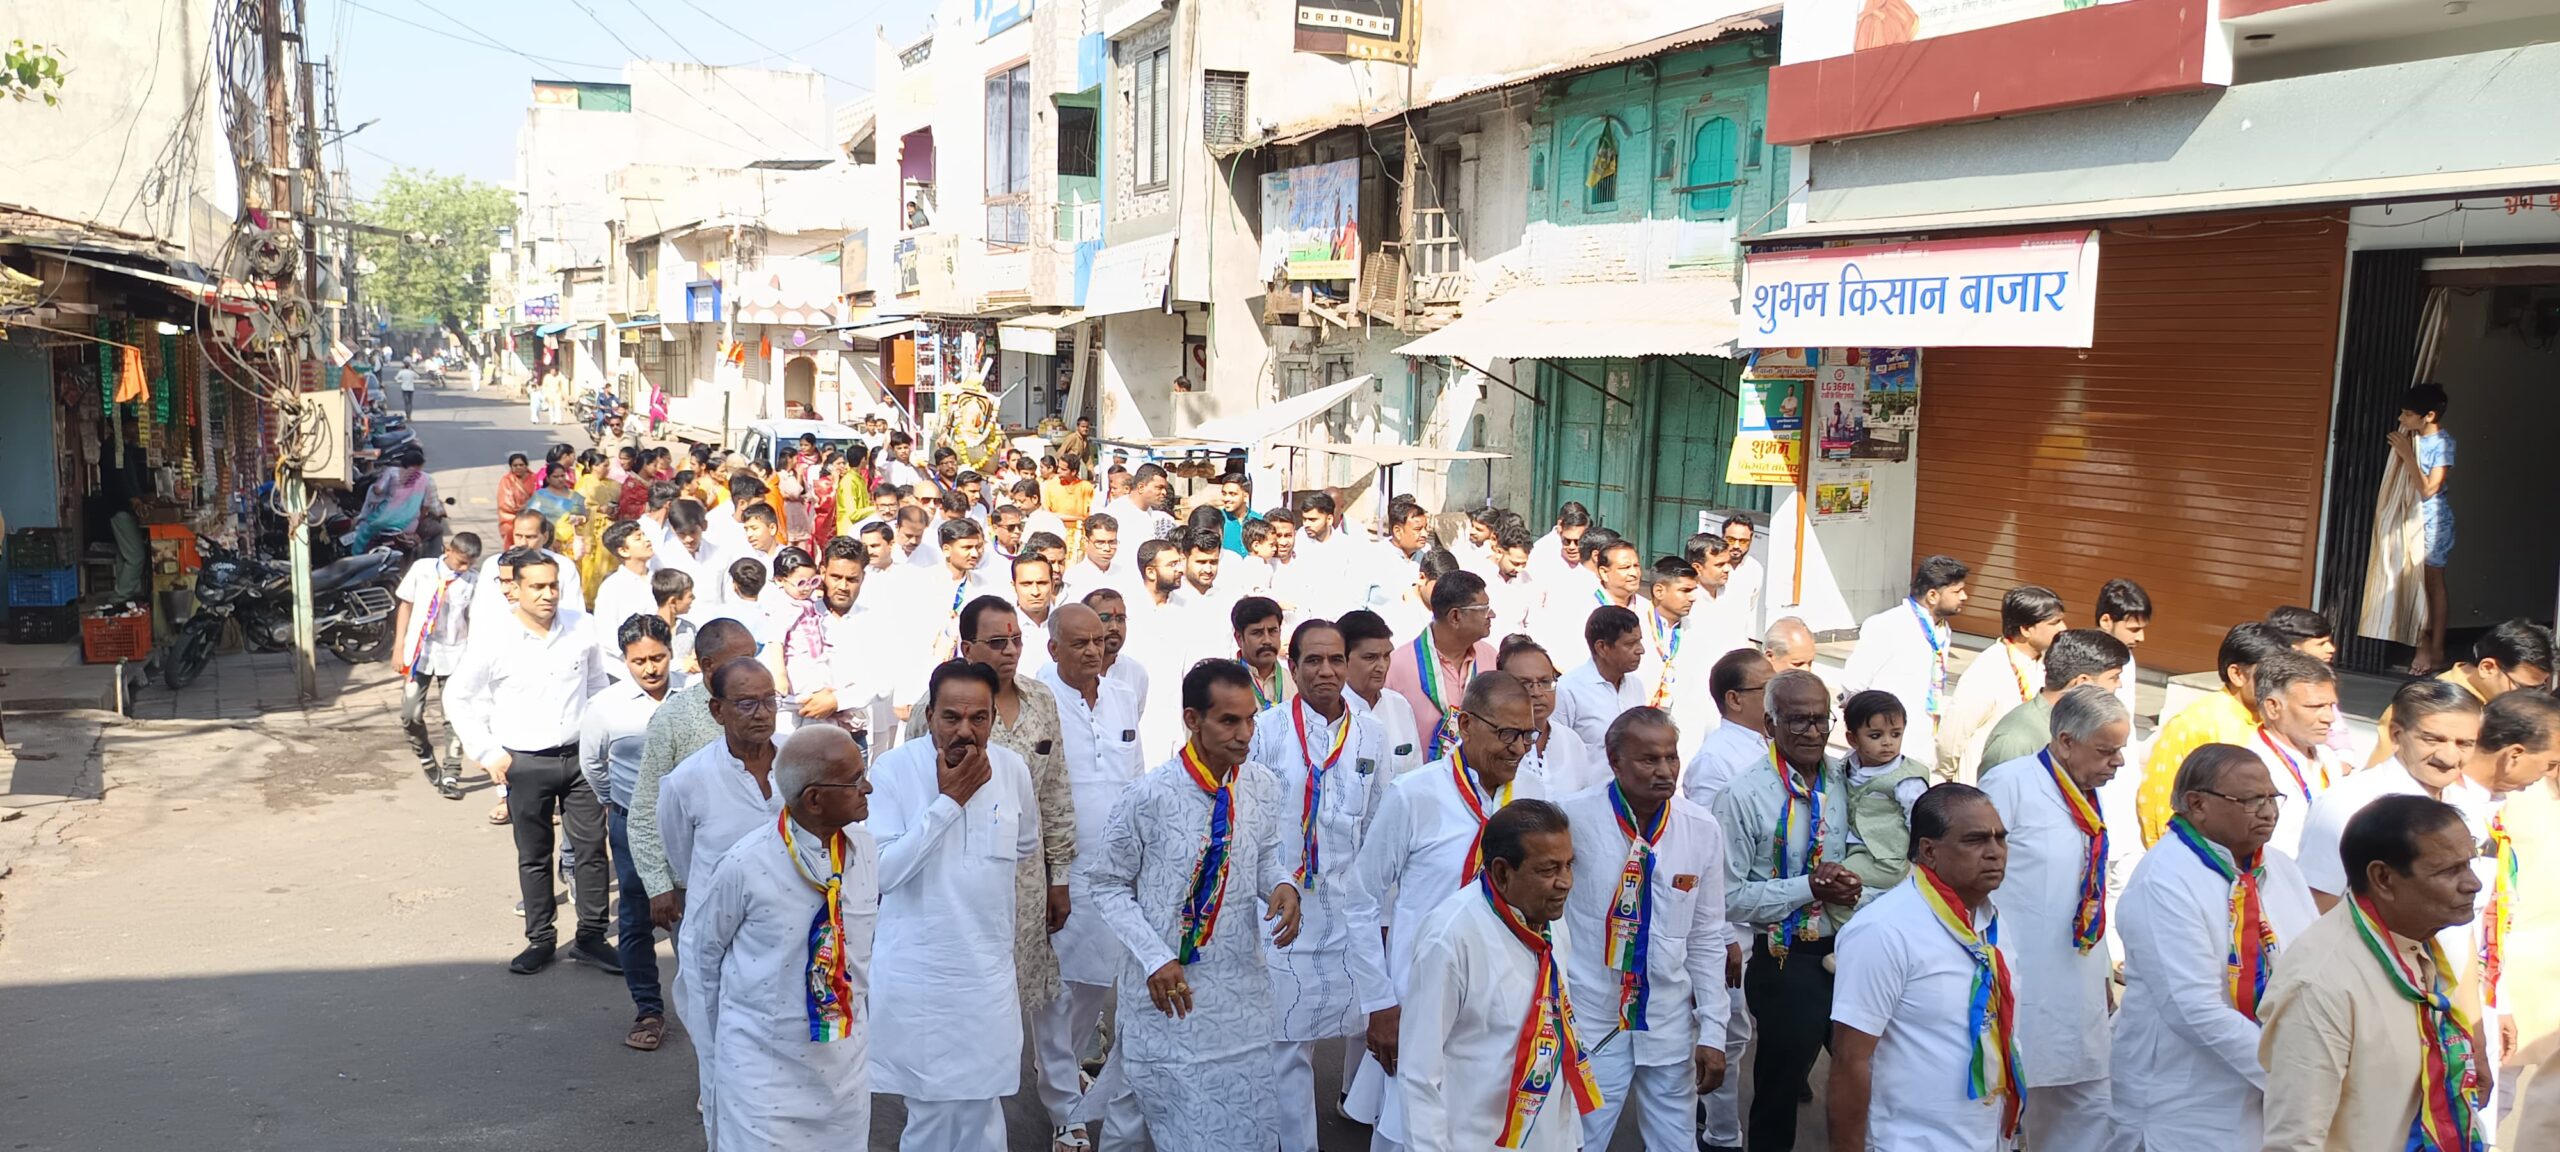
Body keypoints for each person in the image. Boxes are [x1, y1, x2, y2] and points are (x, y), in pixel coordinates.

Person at [1077, 659, 1305, 1147]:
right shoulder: (1149, 795)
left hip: (1236, 987)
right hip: (1164, 986)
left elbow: (1265, 855)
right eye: (1229, 721)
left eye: (1251, 719)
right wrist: (1155, 958)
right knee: (1141, 1104)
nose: (1245, 734)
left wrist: (1282, 886)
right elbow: (1107, 884)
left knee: (1235, 1105)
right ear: (1192, 720)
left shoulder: (1262, 785)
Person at [1345, 671, 1551, 1146]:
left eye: (1528, 734)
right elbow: (1361, 900)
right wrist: (1379, 1003)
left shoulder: (1533, 794)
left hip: (1501, 1001)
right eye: (1506, 733)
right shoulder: (1414, 794)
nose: (1518, 748)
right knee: (1410, 1128)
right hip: (1420, 998)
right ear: (1466, 725)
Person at [861, 661, 1039, 1148]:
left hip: (986, 978)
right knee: (933, 1116)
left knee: (983, 1110)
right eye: (951, 717)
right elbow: (884, 872)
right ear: (929, 715)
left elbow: (1025, 844)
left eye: (978, 718)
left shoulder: (1012, 769)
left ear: (993, 718)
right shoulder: (894, 770)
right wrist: (949, 802)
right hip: (921, 980)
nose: (965, 730)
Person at [2111, 743, 2322, 1152]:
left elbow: (2314, 964)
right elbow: (2194, 1009)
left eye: (2272, 797)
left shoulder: (2279, 866)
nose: (2269, 812)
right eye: (2251, 800)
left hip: (2271, 1094)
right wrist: (2294, 1071)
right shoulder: (2164, 879)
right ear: (2197, 804)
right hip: (2188, 1103)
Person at [677, 724, 878, 1152]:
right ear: (814, 799)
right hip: (762, 1080)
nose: (868, 788)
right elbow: (701, 960)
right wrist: (715, 1058)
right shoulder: (746, 863)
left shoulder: (865, 850)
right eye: (855, 780)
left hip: (845, 1073)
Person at [2259, 794, 2489, 1152]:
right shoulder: (2320, 981)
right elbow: (2294, 1141)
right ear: (2383, 878)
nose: (2473, 883)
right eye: (2448, 871)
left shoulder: (2415, 941)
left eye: (2469, 864)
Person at [896, 597, 1077, 1029]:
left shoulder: (1040, 699)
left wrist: (1059, 878)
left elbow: (1054, 790)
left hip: (1024, 879)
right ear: (967, 648)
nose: (1010, 651)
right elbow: (915, 795)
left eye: (1016, 641)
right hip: (955, 878)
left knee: (1016, 992)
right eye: (997, 643)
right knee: (960, 994)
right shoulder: (934, 711)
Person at [1246, 619, 1390, 1152]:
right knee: (1285, 1042)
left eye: (1335, 660)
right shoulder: (1265, 731)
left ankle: (1370, 1116)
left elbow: (1378, 828)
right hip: (1278, 908)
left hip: (1347, 912)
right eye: (1313, 660)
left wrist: (1380, 915)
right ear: (1293, 666)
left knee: (1370, 1025)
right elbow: (1246, 820)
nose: (1325, 671)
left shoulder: (1372, 734)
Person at [1559, 708, 1731, 1151]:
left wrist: (1713, 1031)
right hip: (1593, 1019)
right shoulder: (1572, 820)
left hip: (1667, 1020)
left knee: (1676, 1144)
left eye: (1671, 757)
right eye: (1649, 759)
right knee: (1580, 1140)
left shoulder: (1700, 829)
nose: (1665, 771)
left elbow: (1707, 937)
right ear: (1614, 762)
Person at [1826, 783, 2025, 1152]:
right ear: (1929, 851)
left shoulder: (1990, 922)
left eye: (2000, 838)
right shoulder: (1883, 930)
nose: (1995, 852)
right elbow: (1851, 1060)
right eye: (1975, 840)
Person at [444, 549, 612, 975]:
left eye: (553, 585)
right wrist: (487, 752)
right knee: (535, 854)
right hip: (524, 762)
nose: (547, 594)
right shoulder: (494, 637)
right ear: (515, 589)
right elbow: (458, 697)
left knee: (591, 849)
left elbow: (596, 684)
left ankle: (591, 937)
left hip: (579, 758)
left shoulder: (581, 627)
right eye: (536, 586)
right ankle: (540, 939)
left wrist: (601, 740)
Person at [1978, 685, 2132, 1150]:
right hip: (2019, 977)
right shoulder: (2009, 785)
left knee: (2087, 1110)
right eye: (2106, 751)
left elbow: (2089, 887)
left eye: (2120, 750)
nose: (2118, 762)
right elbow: (1967, 878)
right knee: (2002, 1109)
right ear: (2066, 742)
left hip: (2079, 980)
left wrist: (2100, 971)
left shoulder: (2101, 792)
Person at [1715, 668, 1863, 1152]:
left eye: (1822, 720)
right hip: (1786, 959)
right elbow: (1728, 897)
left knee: (1871, 1079)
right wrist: (1809, 887)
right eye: (1798, 720)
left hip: (1854, 950)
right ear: (1769, 724)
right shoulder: (1743, 795)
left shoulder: (1847, 780)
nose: (1813, 732)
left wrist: (1855, 886)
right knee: (1779, 1095)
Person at [1398, 800, 1598, 1152]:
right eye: (1549, 869)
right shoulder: (1450, 937)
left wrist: (1572, 1139)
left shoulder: (1552, 924)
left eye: (1569, 865)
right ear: (1503, 873)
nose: (1565, 882)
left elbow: (1557, 1033)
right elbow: (1419, 1074)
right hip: (1472, 1139)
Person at [1031, 605, 1150, 1148]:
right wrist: (1048, 873)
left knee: (1097, 983)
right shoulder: (1039, 700)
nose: (1093, 652)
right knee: (1057, 988)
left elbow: (1136, 778)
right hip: (1059, 870)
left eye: (1099, 641)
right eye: (1079, 643)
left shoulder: (1123, 695)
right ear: (1053, 648)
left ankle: (1063, 1066)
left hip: (1115, 870)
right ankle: (1064, 1107)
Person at [2299, 679, 2491, 911]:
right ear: (2396, 734)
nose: (2449, 757)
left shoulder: (2469, 804)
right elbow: (2315, 906)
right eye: (2433, 739)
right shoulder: (2348, 804)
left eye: (2464, 744)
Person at [578, 614, 675, 1052]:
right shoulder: (606, 707)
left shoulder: (695, 696)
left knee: (696, 915)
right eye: (640, 661)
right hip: (631, 825)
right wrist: (617, 802)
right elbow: (593, 765)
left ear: (671, 652)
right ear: (624, 660)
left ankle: (710, 1005)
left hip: (689, 825)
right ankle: (649, 1010)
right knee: (637, 918)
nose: (651, 669)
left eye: (658, 658)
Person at [626, 619, 759, 922]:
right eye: (742, 659)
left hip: (761, 874)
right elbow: (646, 808)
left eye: (754, 657)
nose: (751, 668)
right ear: (708, 665)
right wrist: (658, 885)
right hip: (697, 883)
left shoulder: (764, 707)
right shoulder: (672, 720)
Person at [2137, 622, 2291, 845]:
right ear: (2237, 674)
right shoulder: (2196, 723)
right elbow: (2159, 803)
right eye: (2270, 676)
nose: (2279, 685)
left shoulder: (2274, 718)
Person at [1839, 555, 1970, 775]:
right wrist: (1871, 735)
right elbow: (1853, 684)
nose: (1964, 597)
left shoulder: (1942, 630)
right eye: (1957, 591)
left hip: (1922, 739)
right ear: (1932, 595)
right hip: (1884, 747)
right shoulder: (1888, 625)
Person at [2365, 618, 2556, 767]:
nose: (2530, 698)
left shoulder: (2501, 704)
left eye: (2539, 688)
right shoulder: (2427, 702)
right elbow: (2385, 769)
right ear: (2488, 667)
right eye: (2524, 688)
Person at [1936, 583, 2066, 782]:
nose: (2063, 628)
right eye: (2054, 622)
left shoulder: (2046, 664)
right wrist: (1946, 775)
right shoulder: (1990, 668)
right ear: (2026, 629)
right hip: (1987, 782)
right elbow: (1954, 734)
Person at [1831, 689, 1931, 924]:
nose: (1888, 742)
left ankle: (1854, 934)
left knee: (1835, 884)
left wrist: (1918, 864)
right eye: (1875, 736)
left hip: (1886, 860)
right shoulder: (1848, 764)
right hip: (1856, 849)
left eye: (1896, 734)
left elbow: (1920, 822)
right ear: (1852, 739)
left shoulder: (1907, 780)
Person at [394, 533, 481, 799]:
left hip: (455, 654)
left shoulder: (473, 581)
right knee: (410, 713)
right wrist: (399, 646)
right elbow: (406, 605)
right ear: (448, 550)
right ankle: (424, 755)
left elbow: (474, 620)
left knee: (453, 715)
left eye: (470, 563)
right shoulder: (423, 569)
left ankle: (452, 773)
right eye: (461, 561)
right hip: (420, 652)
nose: (464, 567)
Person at [1979, 628, 2134, 770]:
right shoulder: (2017, 739)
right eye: (2114, 677)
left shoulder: (2081, 725)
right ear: (2082, 682)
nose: (2119, 685)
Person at [782, 537, 890, 740]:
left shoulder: (873, 621)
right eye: (836, 577)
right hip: (797, 731)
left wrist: (836, 701)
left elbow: (883, 682)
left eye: (851, 579)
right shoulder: (799, 616)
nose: (843, 586)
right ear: (822, 572)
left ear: (863, 577)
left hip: (851, 736)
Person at [1386, 570, 1497, 760]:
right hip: (1417, 776)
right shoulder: (1397, 666)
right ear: (1455, 617)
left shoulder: (1491, 658)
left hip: (1477, 776)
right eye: (1484, 608)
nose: (1492, 615)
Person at [2244, 650, 2342, 859]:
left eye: (2331, 706)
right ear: (2273, 707)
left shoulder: (2327, 757)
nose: (2329, 717)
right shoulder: (2249, 766)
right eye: (2315, 706)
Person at [2391, 382, 2458, 673]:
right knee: (2412, 582)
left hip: (2433, 522)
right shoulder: (2413, 436)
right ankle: (2423, 644)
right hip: (2411, 519)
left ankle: (2434, 649)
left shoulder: (2442, 443)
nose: (2401, 419)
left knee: (2431, 584)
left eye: (2408, 414)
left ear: (2428, 416)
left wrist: (2407, 454)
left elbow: (2430, 488)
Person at [1498, 634, 1598, 794]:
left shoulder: (1571, 741)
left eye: (1545, 682)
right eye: (1525, 683)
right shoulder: (1488, 742)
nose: (1537, 692)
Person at [1553, 605, 1648, 763]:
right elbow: (1555, 751)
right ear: (1602, 647)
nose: (1641, 650)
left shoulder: (1636, 685)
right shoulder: (1568, 689)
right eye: (1630, 644)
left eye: (1639, 641)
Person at [1683, 647, 1775, 812]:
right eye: (1768, 688)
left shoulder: (1779, 740)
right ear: (1734, 700)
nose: (1778, 694)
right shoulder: (1713, 761)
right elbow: (1708, 824)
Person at [1340, 608, 1425, 779]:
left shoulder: (1399, 705)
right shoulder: (1330, 711)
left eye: (1386, 656)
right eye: (1370, 657)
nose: (1382, 667)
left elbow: (1415, 776)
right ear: (1342, 659)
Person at [1232, 596, 1293, 711]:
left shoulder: (1295, 682)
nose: (1267, 640)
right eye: (1257, 633)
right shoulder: (1225, 684)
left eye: (1273, 631)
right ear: (1239, 638)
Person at [1527, 501, 1592, 585]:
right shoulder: (1543, 551)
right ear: (1560, 525)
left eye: (1578, 542)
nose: (1571, 547)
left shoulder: (1593, 549)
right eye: (1567, 541)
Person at [1721, 515, 1764, 631]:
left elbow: (1752, 608)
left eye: (1743, 541)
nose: (1736, 546)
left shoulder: (1755, 569)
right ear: (1722, 537)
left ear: (1751, 541)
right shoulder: (1711, 565)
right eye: (1731, 540)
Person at [496, 453, 538, 549]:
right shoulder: (506, 480)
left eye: (521, 465)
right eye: (515, 465)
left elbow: (540, 497)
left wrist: (529, 508)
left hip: (533, 514)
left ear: (526, 465)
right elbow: (505, 503)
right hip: (511, 517)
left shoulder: (534, 479)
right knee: (510, 531)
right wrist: (521, 510)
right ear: (511, 467)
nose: (518, 467)